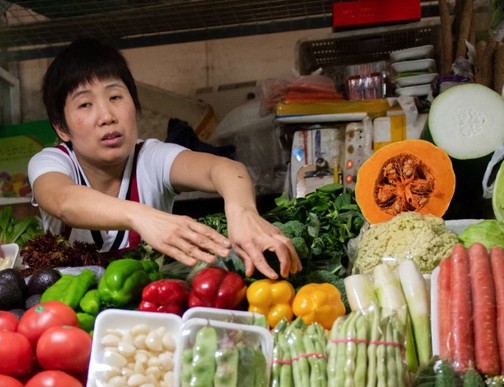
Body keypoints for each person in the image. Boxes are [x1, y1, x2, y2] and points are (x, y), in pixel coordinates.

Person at [28, 38, 302, 279]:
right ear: (61, 127)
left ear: (134, 106)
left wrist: (241, 212)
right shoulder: (52, 162)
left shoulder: (151, 158)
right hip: (65, 321)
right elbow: (63, 200)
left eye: (115, 96)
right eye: (85, 104)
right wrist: (142, 217)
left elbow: (224, 168)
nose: (107, 116)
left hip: (151, 314)